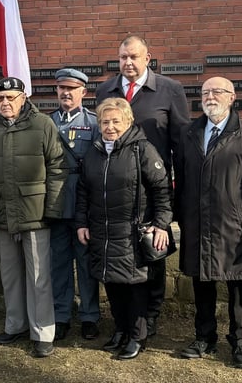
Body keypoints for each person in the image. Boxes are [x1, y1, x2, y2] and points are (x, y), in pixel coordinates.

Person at [173, 77, 242, 368]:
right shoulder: (189, 133)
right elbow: (180, 177)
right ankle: (204, 336)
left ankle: (241, 341)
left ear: (232, 97)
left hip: (234, 223)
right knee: (201, 279)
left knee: (237, 284)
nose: (210, 97)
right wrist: (180, 215)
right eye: (205, 92)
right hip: (197, 221)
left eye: (217, 92)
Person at [95, 35, 188, 338]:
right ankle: (127, 321)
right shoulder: (105, 90)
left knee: (152, 254)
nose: (128, 63)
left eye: (134, 57)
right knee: (123, 257)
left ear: (148, 58)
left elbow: (180, 145)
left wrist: (175, 198)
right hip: (119, 193)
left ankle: (151, 314)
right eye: (123, 57)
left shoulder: (170, 90)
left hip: (152, 189)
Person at [0, 76, 66, 358]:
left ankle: (43, 332)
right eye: (0, 99)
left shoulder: (43, 124)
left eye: (11, 98)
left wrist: (52, 208)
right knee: (10, 275)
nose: (5, 103)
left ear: (23, 98)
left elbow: (57, 167)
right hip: (1, 213)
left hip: (35, 213)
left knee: (38, 276)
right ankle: (15, 325)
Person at [75, 97, 171, 360]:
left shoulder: (142, 149)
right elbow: (83, 190)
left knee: (135, 284)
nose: (110, 126)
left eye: (116, 121)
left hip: (134, 232)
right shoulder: (94, 151)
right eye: (105, 121)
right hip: (103, 232)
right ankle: (120, 329)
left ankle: (137, 336)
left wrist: (161, 224)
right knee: (112, 282)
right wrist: (81, 223)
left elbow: (162, 189)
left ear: (128, 121)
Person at [48, 68, 101, 341]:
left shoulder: (93, 123)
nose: (66, 93)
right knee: (58, 263)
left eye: (72, 89)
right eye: (61, 88)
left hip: (83, 203)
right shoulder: (47, 123)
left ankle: (90, 315)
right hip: (55, 203)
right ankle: (61, 314)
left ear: (83, 92)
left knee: (86, 263)